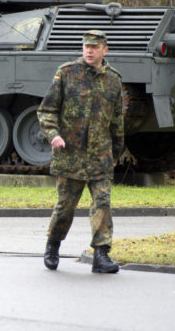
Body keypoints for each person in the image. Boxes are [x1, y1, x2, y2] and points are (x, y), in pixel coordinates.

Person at [37, 29, 124, 274]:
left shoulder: (114, 80)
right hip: (70, 155)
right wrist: (53, 135)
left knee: (102, 203)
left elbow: (117, 121)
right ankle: (53, 246)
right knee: (65, 206)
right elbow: (46, 111)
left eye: (95, 47)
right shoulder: (66, 73)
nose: (89, 50)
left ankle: (101, 254)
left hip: (100, 156)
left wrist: (116, 153)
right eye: (86, 46)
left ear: (105, 50)